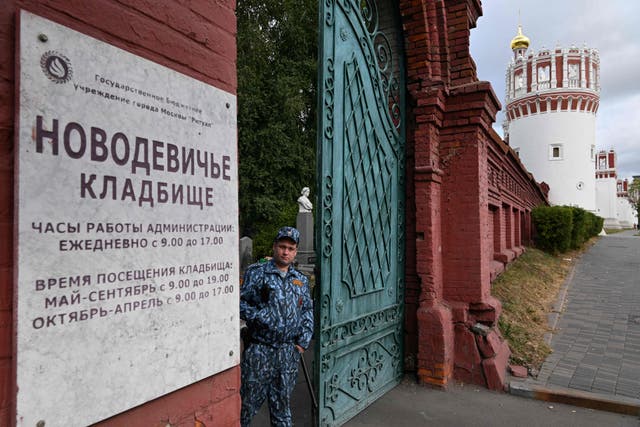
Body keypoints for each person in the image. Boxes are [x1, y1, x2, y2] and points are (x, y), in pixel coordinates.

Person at [240, 226, 314, 426]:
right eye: (282, 246)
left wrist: (302, 343)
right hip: (260, 350)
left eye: (290, 248)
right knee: (247, 404)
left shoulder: (300, 280)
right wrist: (261, 316)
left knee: (282, 407)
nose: (286, 252)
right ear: (275, 247)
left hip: (287, 352)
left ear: (296, 251)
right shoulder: (257, 273)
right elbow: (240, 303)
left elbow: (307, 310)